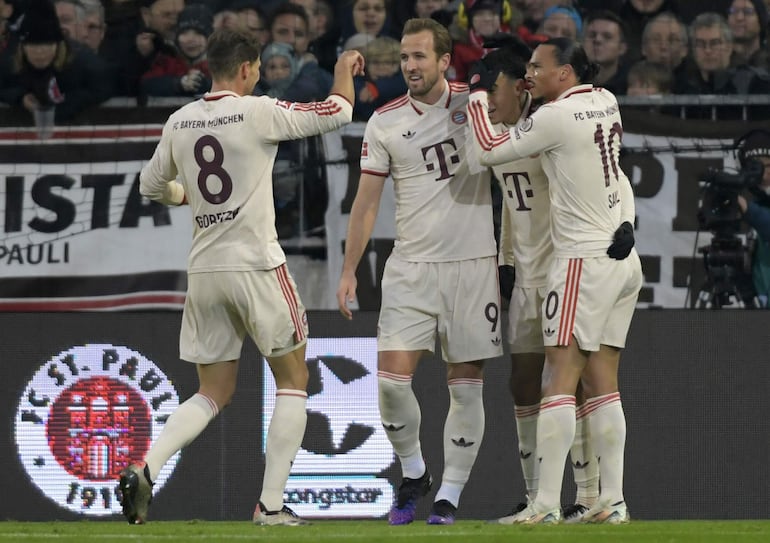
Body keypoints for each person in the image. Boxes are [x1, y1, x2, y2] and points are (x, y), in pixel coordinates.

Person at [119, 27, 364, 526]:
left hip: (206, 270)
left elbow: (148, 185)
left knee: (213, 392)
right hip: (256, 265)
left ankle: (147, 466)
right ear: (249, 69)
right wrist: (342, 73)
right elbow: (339, 112)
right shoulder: (258, 111)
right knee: (294, 379)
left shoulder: (180, 120)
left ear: (211, 65)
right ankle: (271, 506)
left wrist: (185, 197)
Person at [467, 37, 642, 524]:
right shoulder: (604, 100)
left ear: (565, 72)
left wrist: (476, 100)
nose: (530, 74)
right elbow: (614, 175)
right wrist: (628, 216)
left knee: (559, 382)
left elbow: (486, 150)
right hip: (621, 261)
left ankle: (543, 503)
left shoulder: (551, 118)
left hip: (581, 258)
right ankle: (614, 499)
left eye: (538, 67)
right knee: (604, 382)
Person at [336, 17, 502, 526]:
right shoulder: (384, 121)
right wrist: (348, 272)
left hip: (473, 266)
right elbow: (365, 205)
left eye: (419, 56)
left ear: (445, 60)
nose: (409, 66)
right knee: (389, 382)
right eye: (404, 57)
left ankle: (450, 494)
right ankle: (414, 473)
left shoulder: (474, 106)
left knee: (466, 385)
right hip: (409, 266)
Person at [736, 130, 770, 307]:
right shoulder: (757, 201)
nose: (764, 173)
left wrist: (748, 209)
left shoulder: (752, 209)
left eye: (769, 165)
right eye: (756, 167)